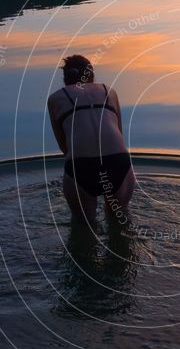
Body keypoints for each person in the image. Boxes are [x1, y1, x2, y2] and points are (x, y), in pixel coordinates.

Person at [47, 55, 135, 223]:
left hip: (81, 166)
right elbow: (120, 135)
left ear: (65, 80)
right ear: (92, 77)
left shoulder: (56, 99)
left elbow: (64, 148)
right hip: (118, 163)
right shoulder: (108, 91)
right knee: (120, 226)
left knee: (83, 230)